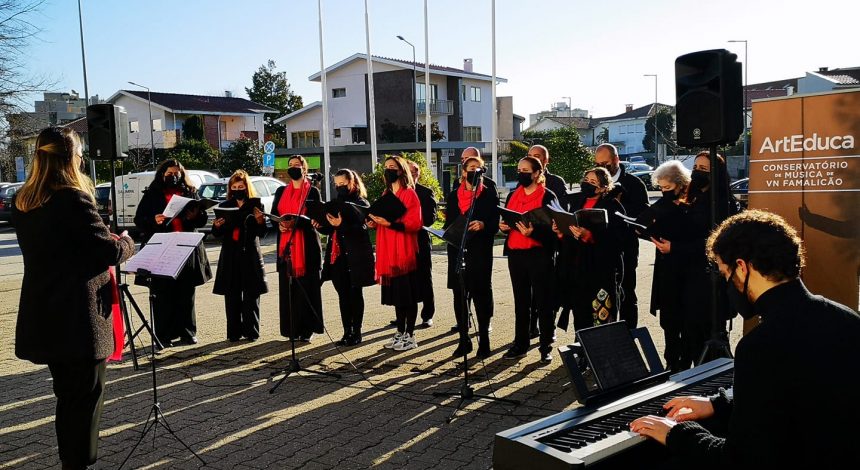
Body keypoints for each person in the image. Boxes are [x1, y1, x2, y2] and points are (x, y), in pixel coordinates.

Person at [630, 210, 860, 469]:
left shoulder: (762, 345)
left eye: (723, 272)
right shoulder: (845, 317)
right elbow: (799, 397)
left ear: (742, 266)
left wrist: (675, 433)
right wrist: (719, 405)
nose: (725, 282)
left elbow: (741, 460)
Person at [13, 127, 136, 470]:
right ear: (70, 158)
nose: (83, 158)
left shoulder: (25, 201)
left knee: (68, 398)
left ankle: (72, 461)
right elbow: (106, 252)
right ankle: (78, 463)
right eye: (81, 152)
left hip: (47, 315)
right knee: (85, 399)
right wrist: (126, 241)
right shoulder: (72, 198)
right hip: (79, 320)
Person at [134, 158, 211, 348]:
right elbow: (139, 220)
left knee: (186, 293)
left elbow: (202, 220)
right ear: (162, 175)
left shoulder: (190, 192)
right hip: (162, 249)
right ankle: (163, 336)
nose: (173, 177)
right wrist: (154, 220)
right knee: (162, 294)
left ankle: (188, 333)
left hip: (185, 247)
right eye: (169, 174)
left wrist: (197, 215)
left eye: (177, 173)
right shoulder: (152, 194)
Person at [500, 156, 559, 363]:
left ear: (536, 173)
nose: (521, 173)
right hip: (516, 254)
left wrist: (533, 233)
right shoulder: (513, 195)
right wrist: (505, 227)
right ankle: (520, 343)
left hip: (539, 254)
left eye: (525, 170)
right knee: (521, 301)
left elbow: (555, 233)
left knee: (543, 301)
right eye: (519, 169)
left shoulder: (547, 196)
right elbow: (508, 218)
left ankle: (545, 346)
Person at [554, 167, 626, 331]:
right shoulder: (578, 202)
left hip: (600, 272)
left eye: (592, 182)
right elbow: (570, 234)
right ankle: (582, 350)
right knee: (581, 316)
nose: (587, 184)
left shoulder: (612, 206)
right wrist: (561, 232)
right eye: (586, 180)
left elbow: (619, 240)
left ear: (603, 188)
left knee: (602, 316)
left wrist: (591, 236)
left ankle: (601, 353)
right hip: (577, 271)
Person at [444, 155, 499, 359]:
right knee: (459, 295)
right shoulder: (453, 197)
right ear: (463, 172)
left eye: (478, 167)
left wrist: (483, 225)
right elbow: (448, 223)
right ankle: (463, 340)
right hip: (457, 250)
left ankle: (484, 339)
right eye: (470, 167)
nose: (474, 170)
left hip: (480, 251)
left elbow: (495, 223)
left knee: (481, 294)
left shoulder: (488, 195)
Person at [368, 156, 424, 351]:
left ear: (401, 171)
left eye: (392, 167)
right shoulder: (386, 193)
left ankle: (410, 335)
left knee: (407, 296)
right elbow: (381, 219)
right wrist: (373, 222)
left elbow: (415, 223)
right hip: (388, 251)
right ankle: (400, 332)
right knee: (397, 297)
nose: (388, 170)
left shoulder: (410, 194)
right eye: (386, 167)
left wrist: (390, 223)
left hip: (404, 251)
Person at [594, 143, 649, 329]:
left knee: (626, 292)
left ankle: (629, 334)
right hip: (601, 249)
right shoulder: (594, 181)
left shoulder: (633, 184)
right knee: (602, 293)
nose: (602, 168)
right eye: (598, 164)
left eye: (606, 163)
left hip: (626, 247)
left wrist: (619, 208)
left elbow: (643, 214)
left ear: (616, 159)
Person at [316, 169, 375, 346]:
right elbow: (329, 228)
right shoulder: (335, 203)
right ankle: (346, 331)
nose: (340, 187)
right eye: (337, 184)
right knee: (343, 295)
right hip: (337, 257)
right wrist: (319, 224)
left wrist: (341, 225)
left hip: (355, 256)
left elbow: (362, 230)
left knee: (355, 294)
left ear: (353, 183)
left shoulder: (361, 203)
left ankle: (356, 332)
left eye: (343, 184)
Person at [211, 170, 268, 342]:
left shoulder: (256, 205)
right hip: (230, 254)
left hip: (249, 253)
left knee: (251, 295)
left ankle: (251, 331)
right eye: (234, 187)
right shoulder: (226, 205)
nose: (237, 189)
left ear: (247, 187)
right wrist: (217, 226)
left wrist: (260, 221)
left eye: (241, 186)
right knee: (232, 294)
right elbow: (217, 234)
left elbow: (262, 233)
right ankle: (234, 332)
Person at [272, 155, 324, 342]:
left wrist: (297, 223)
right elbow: (275, 215)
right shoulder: (280, 191)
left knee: (306, 289)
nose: (294, 168)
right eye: (291, 165)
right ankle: (291, 329)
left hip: (306, 246)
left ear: (304, 168)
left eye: (297, 165)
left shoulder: (312, 192)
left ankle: (307, 330)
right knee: (288, 290)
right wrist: (279, 225)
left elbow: (316, 218)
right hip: (286, 246)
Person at [525, 144, 567, 340]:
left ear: (546, 161)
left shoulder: (556, 183)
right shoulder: (522, 181)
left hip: (548, 243)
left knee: (548, 290)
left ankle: (548, 328)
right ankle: (531, 326)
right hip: (526, 242)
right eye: (530, 155)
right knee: (529, 292)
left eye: (538, 156)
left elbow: (562, 210)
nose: (534, 158)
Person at [409, 160, 438, 329]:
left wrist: (410, 220)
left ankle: (427, 315)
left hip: (420, 240)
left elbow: (430, 219)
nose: (412, 175)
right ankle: (404, 313)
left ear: (419, 174)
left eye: (415, 172)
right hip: (402, 242)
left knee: (425, 278)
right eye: (409, 171)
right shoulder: (396, 192)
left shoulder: (426, 192)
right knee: (405, 280)